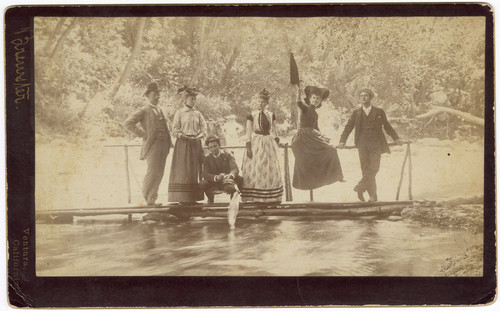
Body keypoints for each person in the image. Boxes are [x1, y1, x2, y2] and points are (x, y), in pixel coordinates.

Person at [338, 88, 403, 202]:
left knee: (374, 168)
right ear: (359, 98)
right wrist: (342, 141)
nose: (363, 97)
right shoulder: (356, 112)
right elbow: (348, 127)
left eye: (366, 95)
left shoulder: (379, 111)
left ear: (370, 98)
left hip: (376, 143)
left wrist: (396, 138)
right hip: (362, 144)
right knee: (366, 169)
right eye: (361, 95)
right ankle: (373, 196)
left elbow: (387, 126)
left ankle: (360, 187)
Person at [124, 82, 172, 206]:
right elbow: (128, 123)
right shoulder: (144, 110)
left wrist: (169, 142)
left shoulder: (160, 109)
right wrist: (143, 134)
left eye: (158, 94)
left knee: (160, 172)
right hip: (153, 146)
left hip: (164, 145)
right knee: (152, 171)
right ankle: (146, 196)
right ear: (148, 95)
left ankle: (152, 199)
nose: (157, 96)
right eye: (155, 94)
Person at [291, 85, 344, 190]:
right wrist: (299, 92)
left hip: (312, 136)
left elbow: (316, 128)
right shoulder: (305, 108)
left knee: (331, 150)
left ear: (320, 101)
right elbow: (298, 103)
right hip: (303, 137)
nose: (315, 100)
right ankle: (308, 182)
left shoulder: (315, 113)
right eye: (313, 98)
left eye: (318, 99)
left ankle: (336, 176)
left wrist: (323, 137)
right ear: (310, 99)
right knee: (311, 158)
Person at [240, 89, 283, 202]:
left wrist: (277, 141)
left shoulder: (271, 115)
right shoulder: (252, 115)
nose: (260, 104)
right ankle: (256, 197)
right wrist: (248, 146)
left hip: (268, 142)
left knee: (270, 167)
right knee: (257, 167)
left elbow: (274, 130)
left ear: (267, 103)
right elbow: (248, 132)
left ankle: (271, 197)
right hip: (257, 142)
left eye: (263, 102)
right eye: (259, 101)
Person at [168, 86, 207, 203]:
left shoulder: (198, 114)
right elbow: (175, 130)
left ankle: (193, 197)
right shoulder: (179, 113)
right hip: (183, 145)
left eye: (195, 99)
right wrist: (185, 137)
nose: (194, 101)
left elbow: (204, 129)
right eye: (191, 99)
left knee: (194, 170)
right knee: (183, 170)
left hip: (195, 143)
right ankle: (181, 198)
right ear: (185, 100)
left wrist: (198, 137)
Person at [199, 135, 243, 203]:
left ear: (219, 145)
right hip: (214, 182)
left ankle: (234, 200)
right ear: (208, 149)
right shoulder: (207, 159)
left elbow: (235, 168)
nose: (213, 149)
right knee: (202, 184)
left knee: (240, 179)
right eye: (211, 147)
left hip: (227, 181)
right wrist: (216, 177)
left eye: (215, 146)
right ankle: (210, 198)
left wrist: (230, 175)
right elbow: (205, 174)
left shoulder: (228, 155)